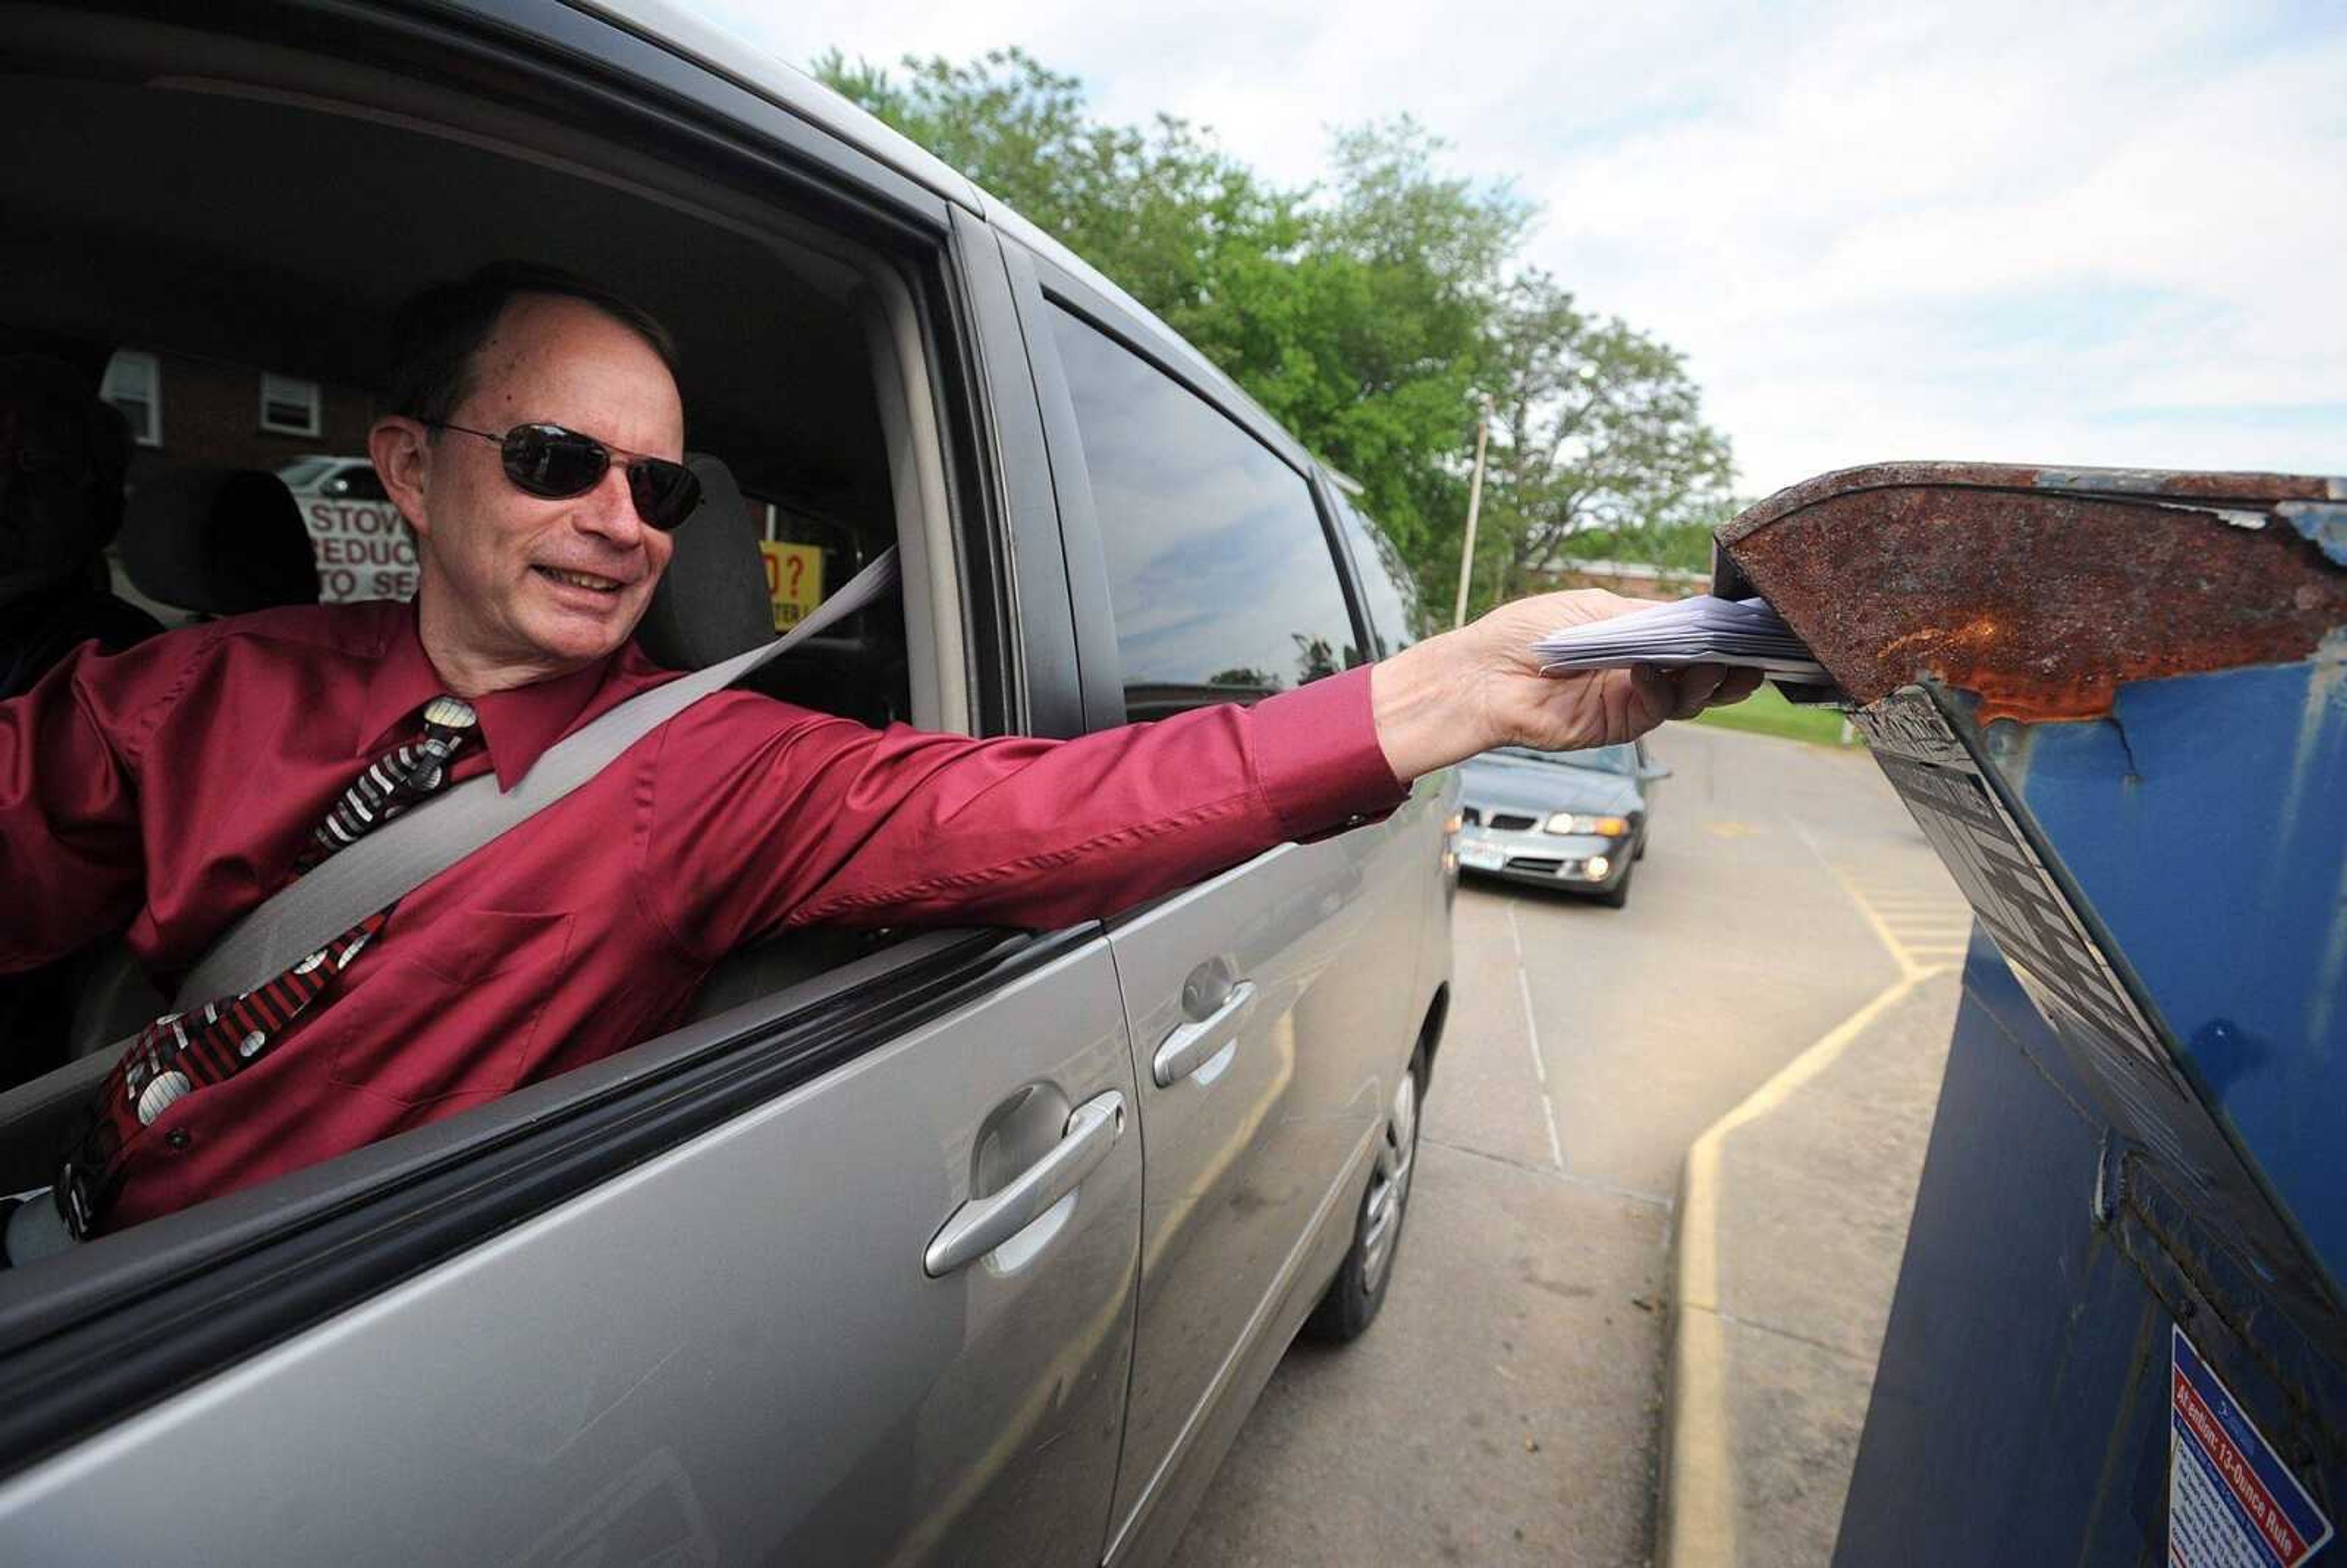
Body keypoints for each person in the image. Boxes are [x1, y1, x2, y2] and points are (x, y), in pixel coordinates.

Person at [0, 263, 1758, 1247]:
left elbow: (1066, 809)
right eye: (557, 461)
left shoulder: (708, 775)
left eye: (658, 489)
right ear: (405, 465)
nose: (619, 524)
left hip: (321, 1331)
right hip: (79, 1242)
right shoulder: (188, 694)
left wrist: (1463, 692)